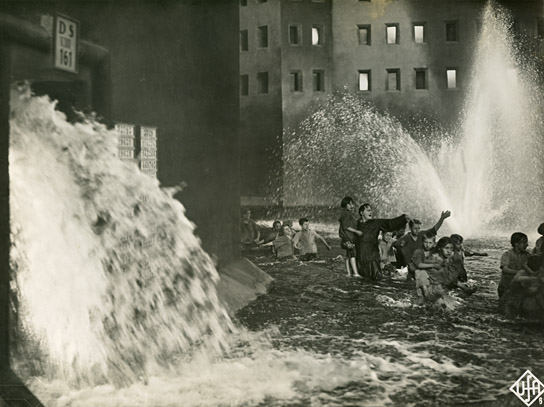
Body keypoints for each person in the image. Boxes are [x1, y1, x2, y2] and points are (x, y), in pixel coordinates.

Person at [356, 203, 409, 280]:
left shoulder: (376, 223)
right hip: (360, 256)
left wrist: (403, 219)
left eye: (371, 211)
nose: (370, 212)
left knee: (377, 279)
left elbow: (389, 223)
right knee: (363, 279)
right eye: (368, 210)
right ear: (361, 213)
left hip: (371, 256)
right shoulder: (357, 224)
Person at [393, 210, 451, 280]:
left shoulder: (422, 234)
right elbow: (396, 246)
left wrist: (442, 218)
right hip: (411, 266)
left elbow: (434, 229)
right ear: (410, 228)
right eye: (415, 228)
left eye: (418, 228)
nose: (417, 230)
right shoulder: (405, 239)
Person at [499, 255, 544, 319]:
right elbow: (531, 289)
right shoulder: (525, 275)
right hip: (509, 306)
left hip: (510, 303)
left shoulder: (526, 274)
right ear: (539, 268)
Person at [498, 232, 530, 298]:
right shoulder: (507, 255)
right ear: (516, 244)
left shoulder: (528, 255)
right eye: (524, 242)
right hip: (505, 287)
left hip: (519, 287)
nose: (527, 245)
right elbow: (505, 270)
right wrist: (520, 272)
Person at [339, 197, 362, 277]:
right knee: (352, 254)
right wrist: (356, 231)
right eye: (349, 204)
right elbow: (346, 226)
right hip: (348, 236)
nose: (351, 206)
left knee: (348, 255)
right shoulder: (346, 214)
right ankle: (355, 273)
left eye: (352, 204)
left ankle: (349, 273)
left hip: (346, 236)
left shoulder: (345, 213)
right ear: (345, 204)